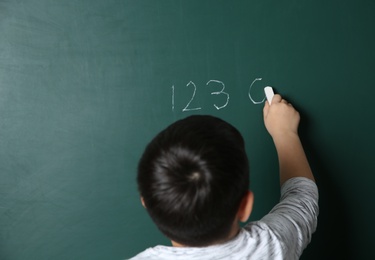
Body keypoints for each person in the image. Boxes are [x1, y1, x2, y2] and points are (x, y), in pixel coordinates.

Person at [130, 94, 319, 259]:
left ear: (146, 202)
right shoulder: (273, 246)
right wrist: (285, 133)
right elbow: (302, 199)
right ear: (245, 206)